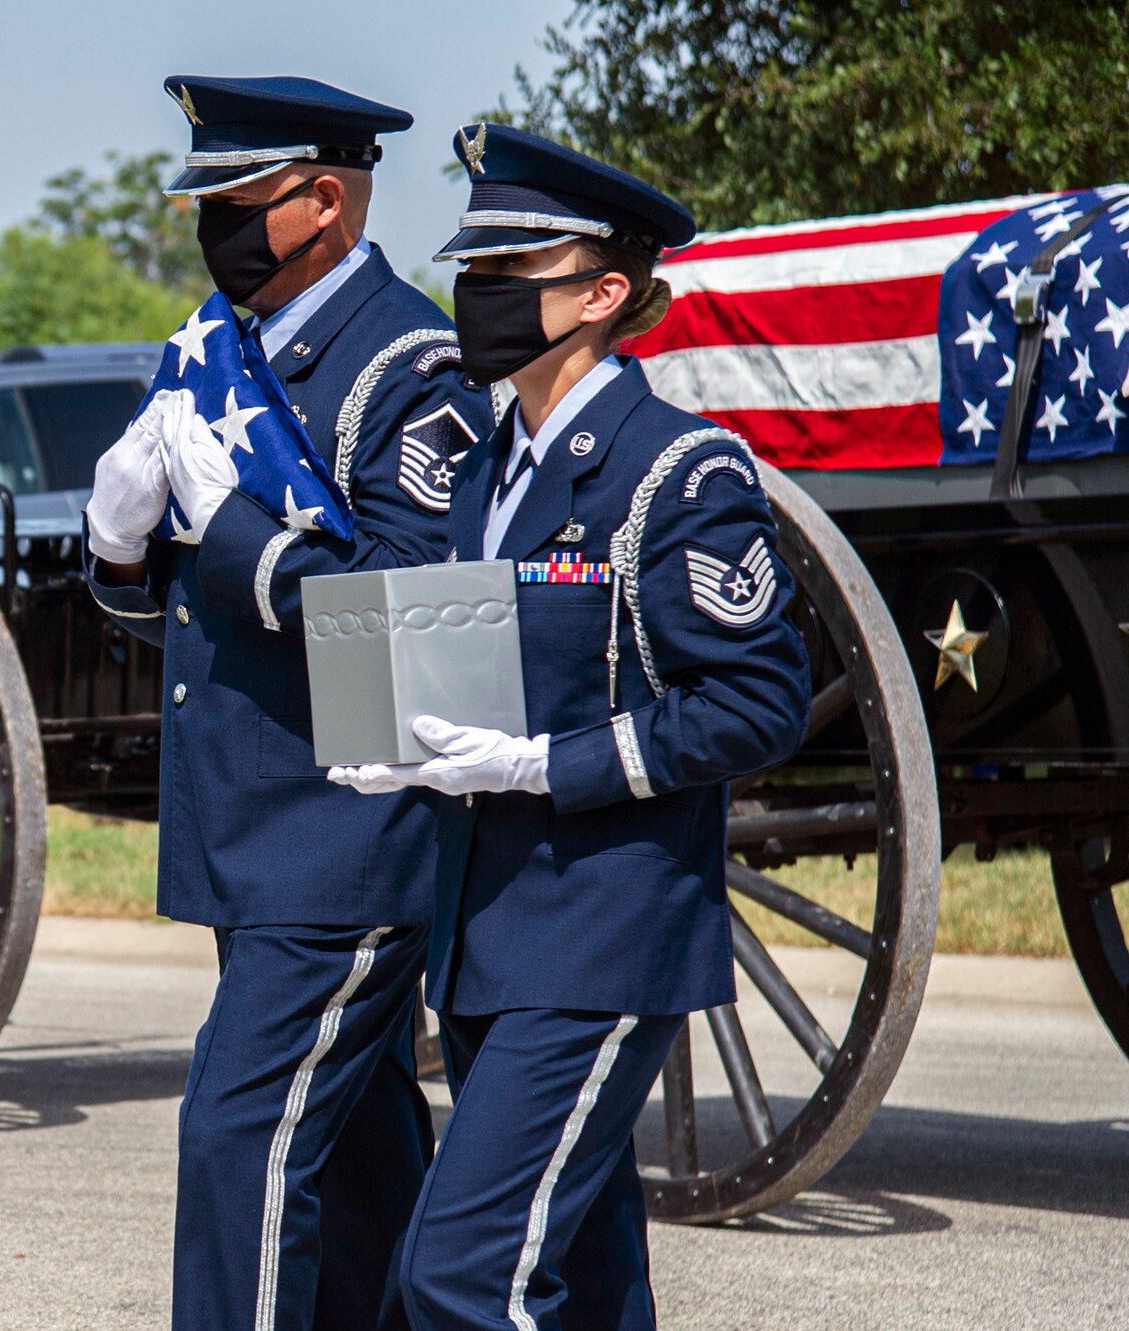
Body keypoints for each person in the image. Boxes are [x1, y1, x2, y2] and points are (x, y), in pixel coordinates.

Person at [330, 123, 811, 1329]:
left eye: (507, 273)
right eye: (472, 270)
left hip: (599, 932)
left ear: (601, 294)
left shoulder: (673, 471)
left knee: (457, 1276)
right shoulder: (490, 465)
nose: (474, 296)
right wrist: (386, 721)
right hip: (485, 930)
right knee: (590, 1283)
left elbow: (756, 703)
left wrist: (546, 763)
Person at [85, 75, 494, 1331]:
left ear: (324, 198)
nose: (211, 227)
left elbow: (431, 640)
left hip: (345, 834)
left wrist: (236, 540)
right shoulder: (218, 343)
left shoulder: (404, 361)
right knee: (362, 1156)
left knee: (237, 1136)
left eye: (235, 200)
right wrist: (115, 547)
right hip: (250, 822)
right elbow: (162, 601)